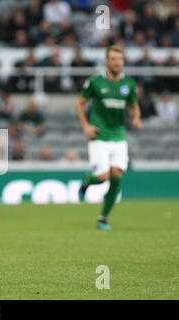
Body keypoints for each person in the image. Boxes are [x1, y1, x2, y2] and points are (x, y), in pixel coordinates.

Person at [75, 45, 142, 230]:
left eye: (119, 59)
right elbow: (79, 104)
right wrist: (86, 126)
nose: (116, 62)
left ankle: (103, 218)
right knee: (103, 176)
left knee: (117, 177)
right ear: (106, 62)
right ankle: (87, 181)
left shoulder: (128, 84)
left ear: (123, 62)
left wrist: (136, 117)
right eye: (113, 59)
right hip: (99, 136)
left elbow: (134, 105)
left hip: (118, 136)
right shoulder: (95, 81)